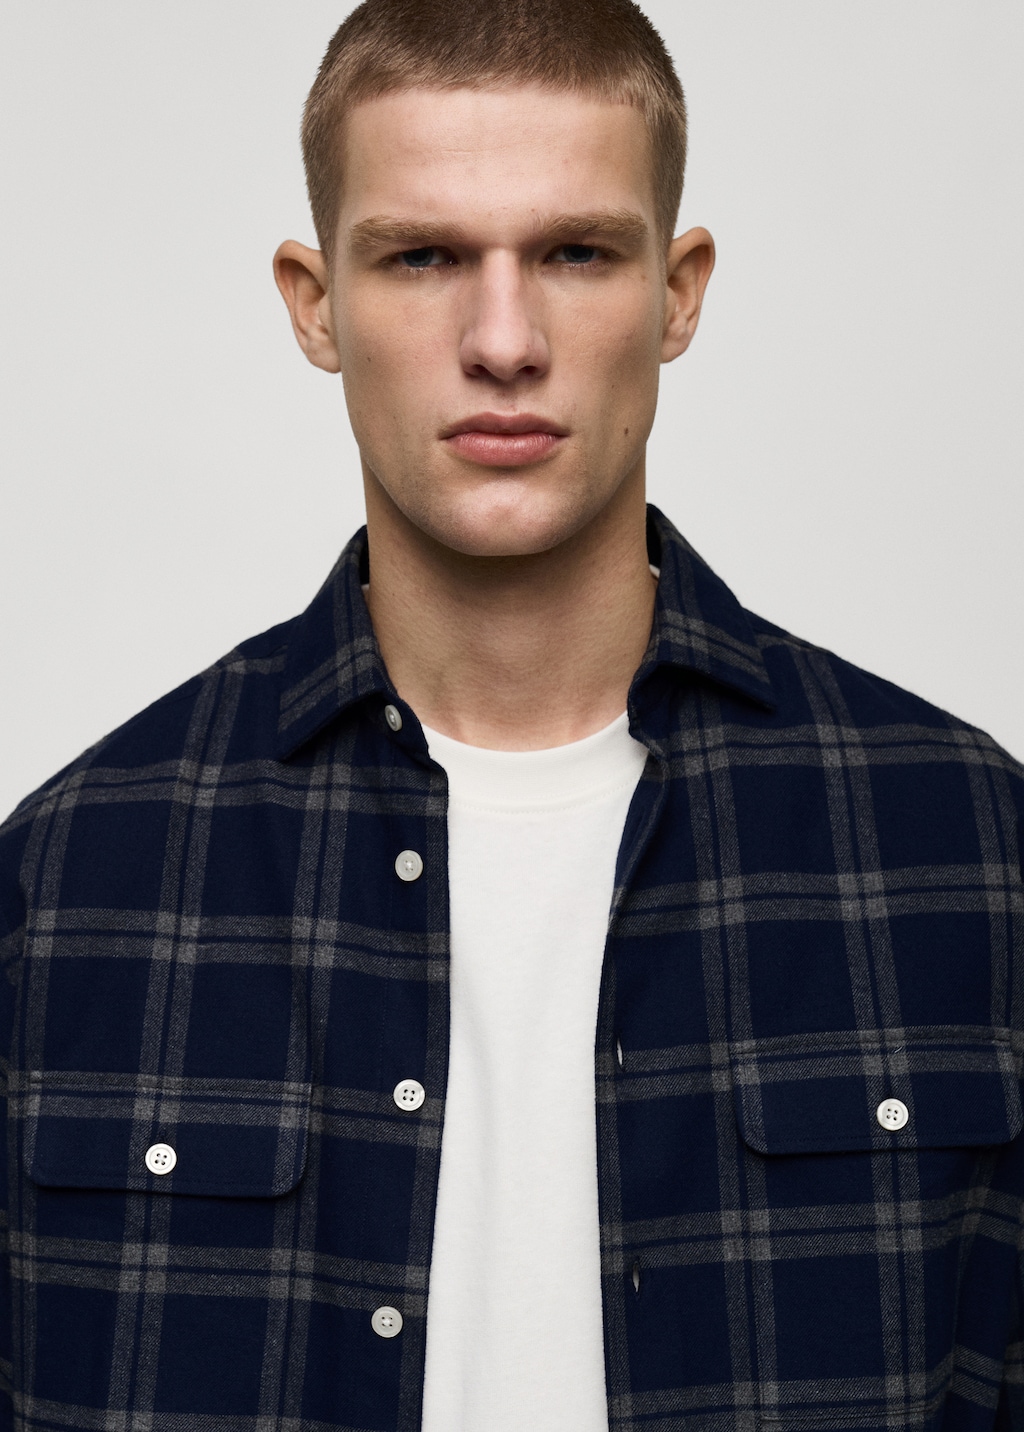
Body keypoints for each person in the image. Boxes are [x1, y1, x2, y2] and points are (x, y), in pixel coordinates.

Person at [1, 0, 1022, 1429]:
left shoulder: (970, 848)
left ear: (678, 294)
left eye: (576, 254)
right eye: (422, 257)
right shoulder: (70, 882)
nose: (503, 341)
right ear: (314, 303)